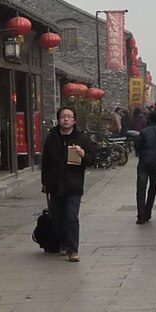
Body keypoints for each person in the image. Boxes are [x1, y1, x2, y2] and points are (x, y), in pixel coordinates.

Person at [39, 106, 95, 261]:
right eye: (63, 116)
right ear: (58, 119)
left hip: (73, 184)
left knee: (71, 217)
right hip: (55, 184)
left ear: (74, 120)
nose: (65, 119)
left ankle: (72, 250)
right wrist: (44, 182)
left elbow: (91, 158)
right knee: (57, 217)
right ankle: (63, 242)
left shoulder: (81, 138)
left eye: (69, 116)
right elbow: (45, 162)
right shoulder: (52, 137)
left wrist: (83, 155)